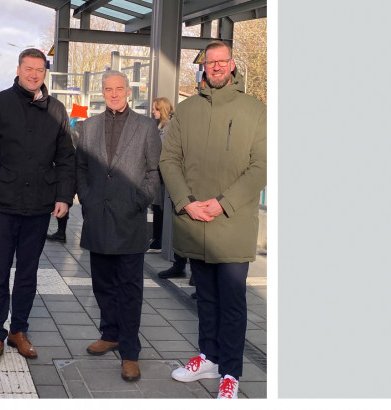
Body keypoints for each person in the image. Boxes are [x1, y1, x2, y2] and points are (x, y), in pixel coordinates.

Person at [159, 41, 266, 399]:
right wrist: (186, 203)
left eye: (222, 61)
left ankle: (231, 372)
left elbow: (261, 167)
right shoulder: (187, 111)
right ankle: (210, 357)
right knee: (204, 297)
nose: (216, 67)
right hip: (195, 222)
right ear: (203, 66)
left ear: (232, 64)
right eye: (210, 62)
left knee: (232, 302)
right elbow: (168, 160)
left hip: (231, 225)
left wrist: (222, 204)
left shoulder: (255, 110)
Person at [0, 48, 76, 369]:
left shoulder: (56, 109)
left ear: (45, 73)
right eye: (28, 68)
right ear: (18, 69)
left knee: (28, 273)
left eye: (39, 70)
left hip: (39, 205)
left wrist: (63, 197)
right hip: (1, 206)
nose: (33, 74)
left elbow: (67, 157)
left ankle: (19, 330)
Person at [76, 70, 161, 382]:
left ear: (128, 91)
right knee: (102, 284)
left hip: (130, 221)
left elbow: (154, 171)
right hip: (97, 218)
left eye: (119, 89)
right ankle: (109, 333)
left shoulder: (146, 126)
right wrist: (86, 198)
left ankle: (129, 351)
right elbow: (81, 167)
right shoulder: (89, 126)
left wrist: (138, 201)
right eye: (108, 89)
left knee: (130, 289)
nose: (113, 94)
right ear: (102, 92)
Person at [148, 97, 173, 253]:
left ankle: (159, 240)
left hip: (164, 174)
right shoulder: (160, 126)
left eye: (155, 109)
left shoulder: (169, 128)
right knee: (157, 207)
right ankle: (157, 238)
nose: (152, 111)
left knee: (160, 208)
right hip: (159, 173)